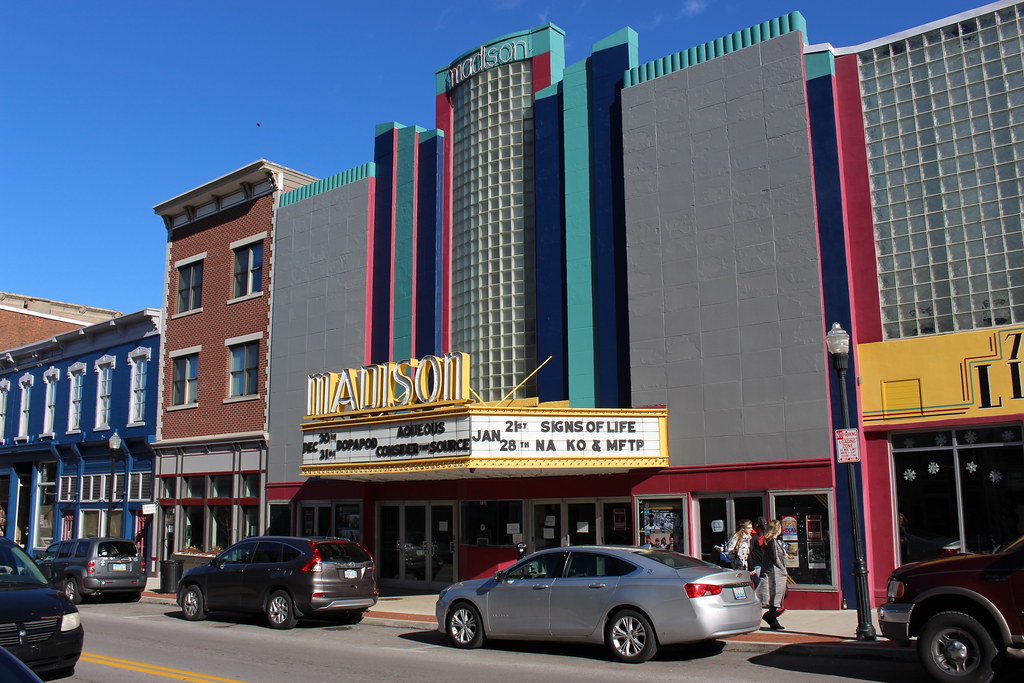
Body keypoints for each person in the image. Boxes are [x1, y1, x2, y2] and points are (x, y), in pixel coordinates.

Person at [756, 519, 788, 630]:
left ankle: (771, 616)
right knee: (775, 594)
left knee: (779, 594)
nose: (781, 530)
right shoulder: (771, 542)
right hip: (774, 573)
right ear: (777, 529)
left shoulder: (773, 541)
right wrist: (783, 569)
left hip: (776, 572)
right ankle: (771, 618)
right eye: (780, 528)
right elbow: (775, 558)